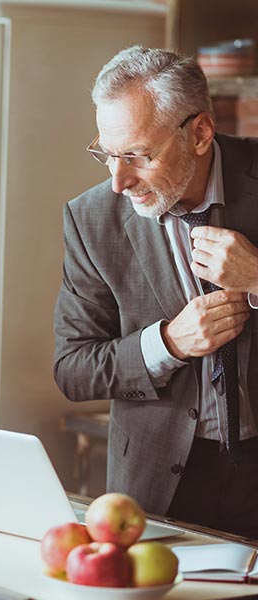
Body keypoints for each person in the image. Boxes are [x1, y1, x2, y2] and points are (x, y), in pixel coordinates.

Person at [54, 46, 258, 538]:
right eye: (106, 153)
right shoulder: (91, 218)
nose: (119, 181)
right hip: (158, 487)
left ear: (201, 133)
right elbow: (73, 369)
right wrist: (168, 344)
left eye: (138, 156)